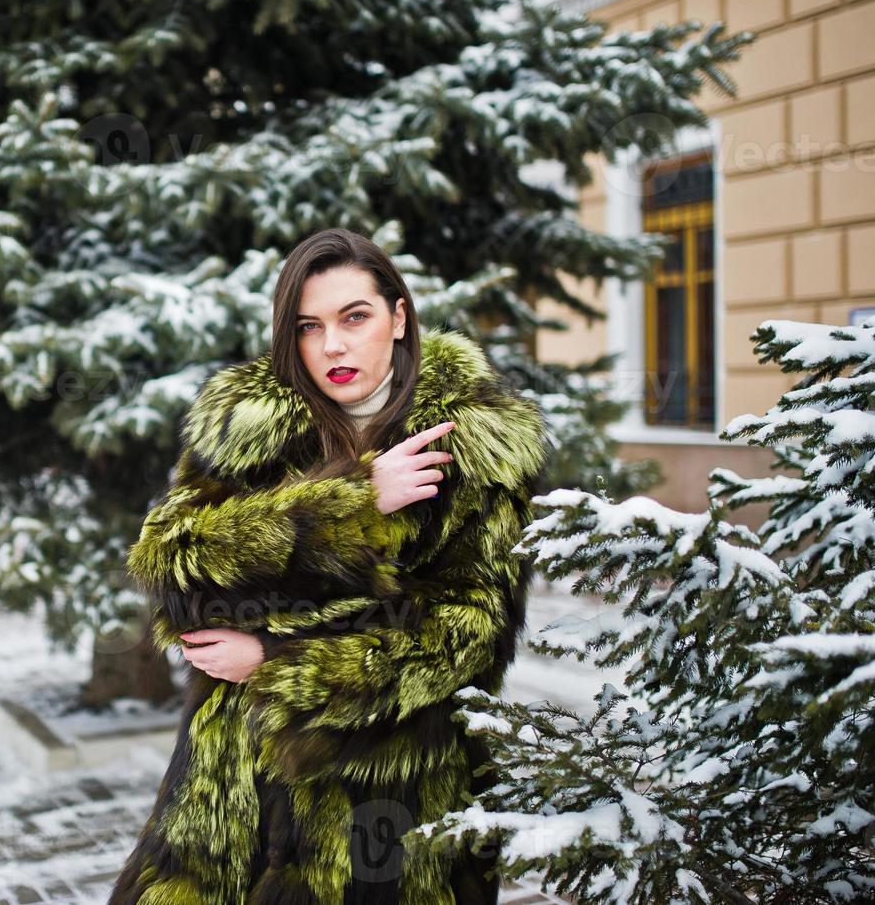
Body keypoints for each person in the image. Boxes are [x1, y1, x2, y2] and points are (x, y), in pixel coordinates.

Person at [108, 228, 549, 904]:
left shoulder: (472, 444)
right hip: (228, 800)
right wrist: (350, 507)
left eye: (354, 317)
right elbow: (173, 568)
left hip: (386, 808)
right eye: (309, 326)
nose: (332, 347)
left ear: (398, 317)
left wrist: (274, 658)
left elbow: (466, 633)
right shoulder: (250, 427)